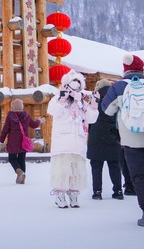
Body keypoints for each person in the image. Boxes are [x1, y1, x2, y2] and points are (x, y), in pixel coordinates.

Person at [103, 55, 144, 227]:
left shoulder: (119, 86)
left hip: (130, 137)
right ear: (142, 69)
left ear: (125, 69)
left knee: (138, 176)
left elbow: (107, 109)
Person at [49, 70, 99, 209]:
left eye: (78, 84)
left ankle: (73, 195)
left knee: (76, 170)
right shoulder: (58, 97)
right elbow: (53, 111)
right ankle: (60, 195)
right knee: (62, 169)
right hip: (62, 142)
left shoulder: (81, 102)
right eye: (73, 83)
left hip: (78, 142)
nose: (75, 87)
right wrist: (61, 99)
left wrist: (93, 106)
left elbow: (91, 119)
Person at [86, 79, 123, 200]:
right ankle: (118, 191)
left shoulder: (94, 98)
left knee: (96, 165)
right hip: (113, 134)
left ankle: (97, 192)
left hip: (96, 135)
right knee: (114, 164)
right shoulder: (114, 97)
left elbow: (88, 116)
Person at [0, 98, 42, 184]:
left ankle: (20, 173)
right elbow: (33, 125)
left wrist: (1, 141)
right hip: (23, 142)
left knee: (12, 159)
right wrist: (39, 121)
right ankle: (22, 179)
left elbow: (5, 129)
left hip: (13, 142)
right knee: (21, 160)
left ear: (13, 107)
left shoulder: (10, 116)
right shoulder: (26, 116)